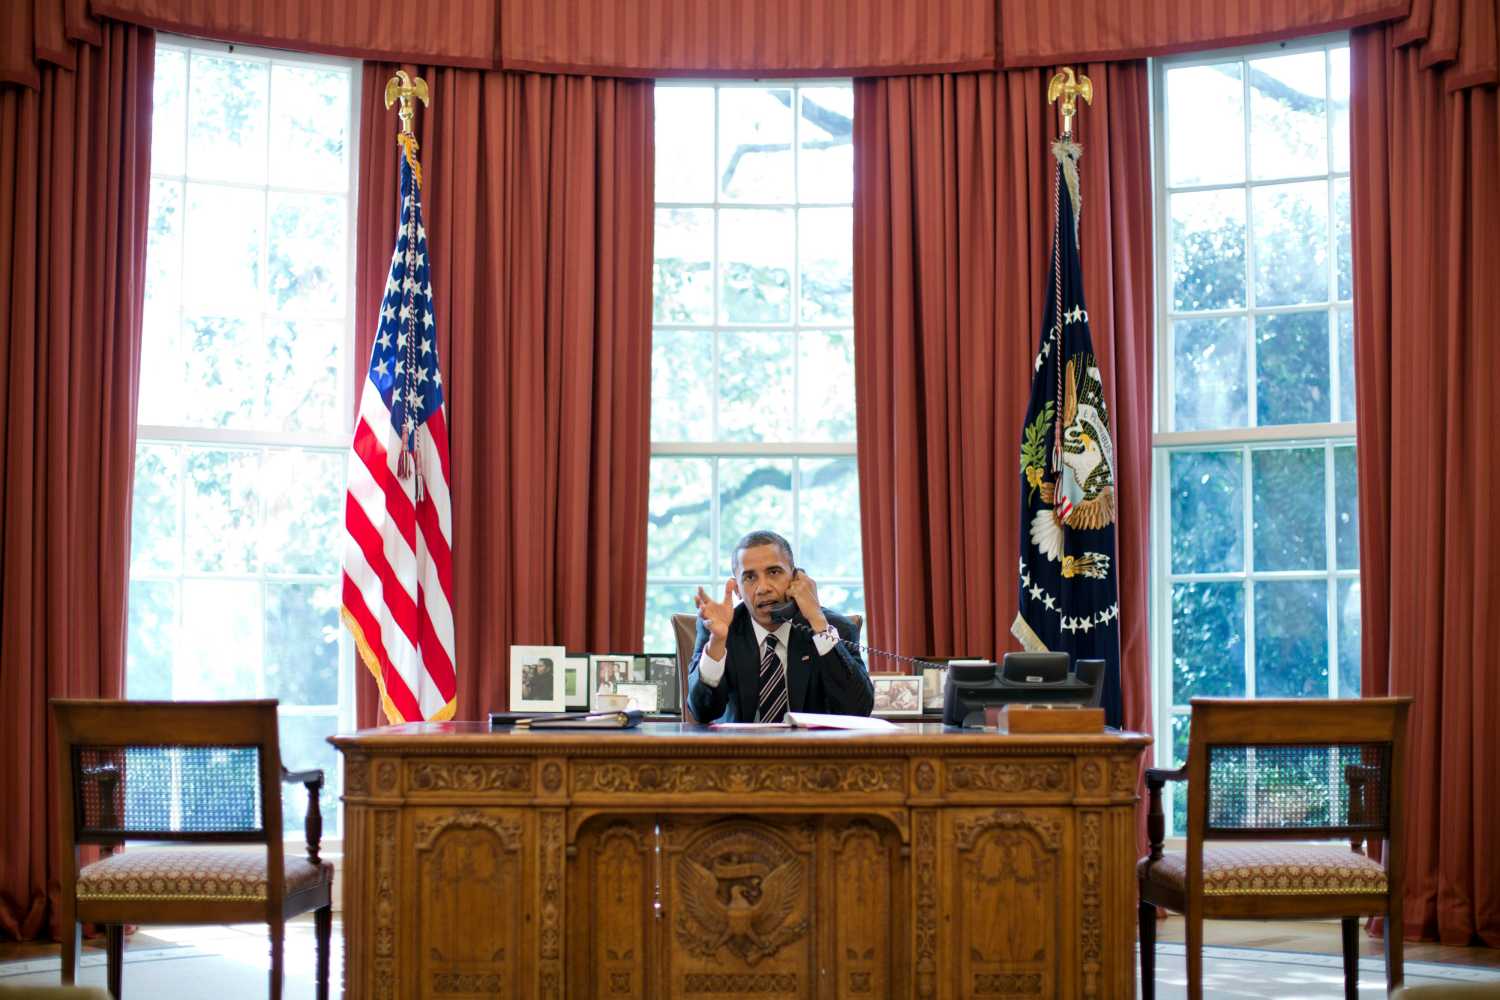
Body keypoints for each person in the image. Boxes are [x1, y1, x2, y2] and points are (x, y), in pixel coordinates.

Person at [687, 530, 873, 723]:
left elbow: (858, 710)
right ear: (737, 590)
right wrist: (717, 643)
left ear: (796, 579)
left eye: (773, 572)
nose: (763, 588)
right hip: (741, 750)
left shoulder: (833, 628)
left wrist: (818, 623)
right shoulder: (720, 630)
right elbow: (702, 713)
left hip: (811, 751)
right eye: (750, 578)